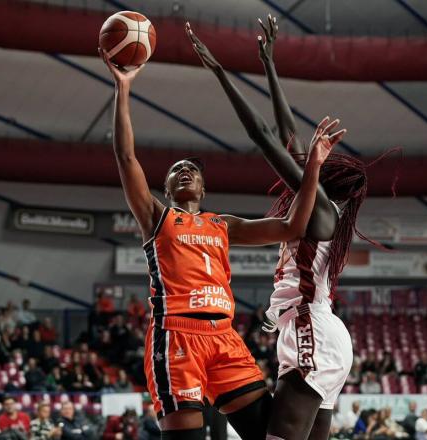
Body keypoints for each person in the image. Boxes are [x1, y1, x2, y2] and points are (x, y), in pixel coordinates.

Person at [100, 27, 339, 439]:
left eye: (193, 169)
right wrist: (123, 87)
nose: (186, 171)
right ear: (168, 189)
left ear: (204, 189)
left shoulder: (222, 225)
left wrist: (313, 167)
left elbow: (291, 227)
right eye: (177, 170)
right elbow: (125, 156)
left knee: (273, 434)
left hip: (224, 339)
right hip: (177, 336)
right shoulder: (156, 217)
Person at [186, 17, 365, 440]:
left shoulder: (321, 207)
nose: (302, 159)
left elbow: (265, 138)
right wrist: (268, 64)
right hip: (316, 329)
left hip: (311, 327)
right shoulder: (315, 200)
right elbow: (287, 136)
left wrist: (219, 73)